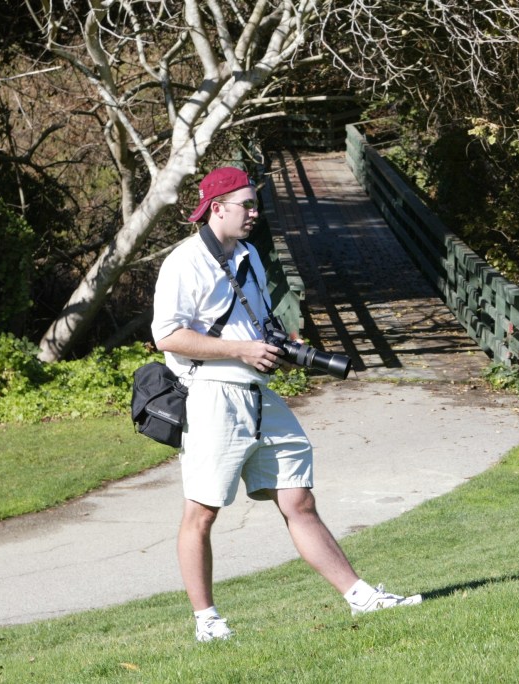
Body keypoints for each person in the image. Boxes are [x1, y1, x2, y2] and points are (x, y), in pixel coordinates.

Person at [151, 166, 421, 642]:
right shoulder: (184, 262)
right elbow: (167, 336)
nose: (255, 213)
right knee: (202, 512)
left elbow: (251, 323)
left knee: (299, 498)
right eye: (247, 205)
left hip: (258, 393)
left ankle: (362, 598)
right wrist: (240, 349)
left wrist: (275, 346)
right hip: (212, 395)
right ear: (217, 209)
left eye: (256, 204)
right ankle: (207, 621)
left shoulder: (250, 254)